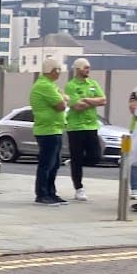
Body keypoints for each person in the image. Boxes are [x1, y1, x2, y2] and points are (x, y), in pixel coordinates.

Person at [64, 58, 106, 202]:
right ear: (78, 69)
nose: (88, 70)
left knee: (96, 156)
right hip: (75, 127)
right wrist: (93, 101)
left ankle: (75, 162)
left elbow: (103, 100)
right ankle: (79, 188)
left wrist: (87, 100)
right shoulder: (71, 86)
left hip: (91, 126)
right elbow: (76, 106)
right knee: (77, 157)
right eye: (85, 67)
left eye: (89, 67)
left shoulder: (93, 84)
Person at [30, 57, 67, 206]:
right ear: (52, 70)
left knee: (55, 163)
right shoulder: (44, 86)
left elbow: (64, 98)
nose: (59, 73)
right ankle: (42, 194)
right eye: (58, 70)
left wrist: (63, 97)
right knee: (47, 163)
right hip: (47, 130)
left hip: (54, 129)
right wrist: (64, 98)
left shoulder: (50, 85)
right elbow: (61, 105)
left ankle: (51, 192)